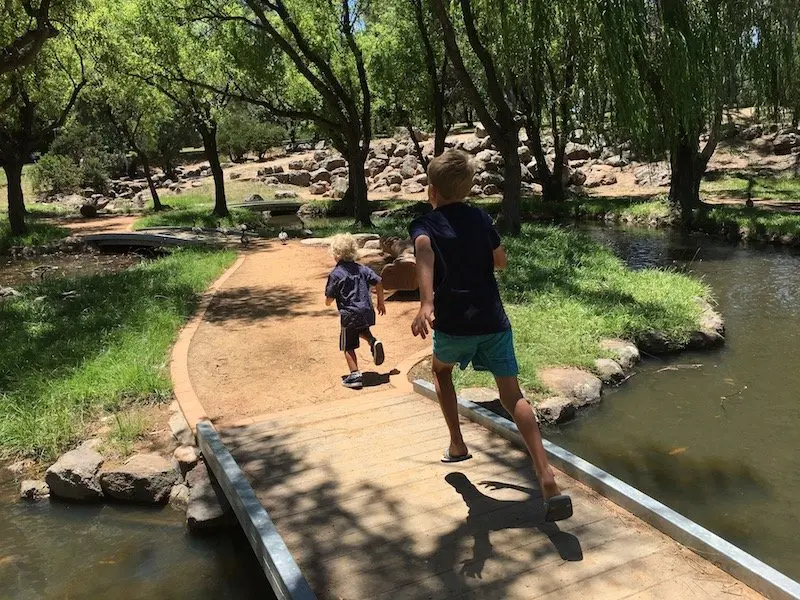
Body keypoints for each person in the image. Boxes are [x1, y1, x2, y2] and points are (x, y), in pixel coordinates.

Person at [409, 150, 573, 522]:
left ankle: (456, 443)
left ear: (431, 191)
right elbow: (500, 261)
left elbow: (423, 249)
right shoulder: (482, 218)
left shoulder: (426, 224)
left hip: (454, 323)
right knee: (512, 394)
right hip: (493, 320)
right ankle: (545, 473)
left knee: (441, 371)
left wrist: (426, 301)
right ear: (468, 189)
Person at [325, 233, 387, 390]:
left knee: (348, 345)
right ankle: (373, 341)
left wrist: (328, 301)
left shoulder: (336, 273)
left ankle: (355, 375)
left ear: (336, 254)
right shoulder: (362, 269)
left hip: (350, 313)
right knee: (361, 329)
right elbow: (378, 281)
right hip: (366, 310)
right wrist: (381, 302)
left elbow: (330, 297)